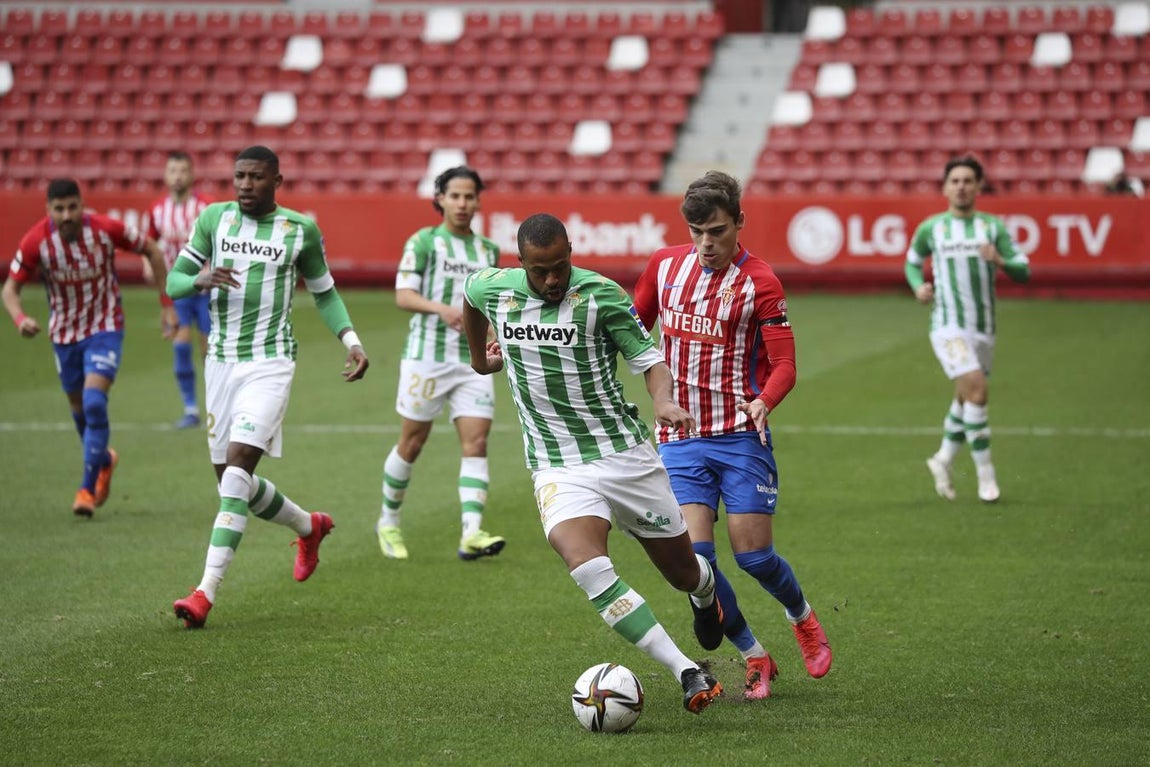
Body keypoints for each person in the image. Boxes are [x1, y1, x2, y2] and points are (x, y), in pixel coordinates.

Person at [462, 213, 724, 714]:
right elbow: (471, 299)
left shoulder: (600, 295)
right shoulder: (494, 287)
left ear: (570, 252)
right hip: (557, 464)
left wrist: (663, 403)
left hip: (624, 456)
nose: (553, 280)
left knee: (683, 574)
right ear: (522, 264)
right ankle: (686, 670)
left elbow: (650, 361)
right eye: (541, 272)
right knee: (585, 564)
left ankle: (705, 593)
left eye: (560, 266)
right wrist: (479, 358)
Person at [633, 170, 832, 701]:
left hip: (741, 434)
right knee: (698, 564)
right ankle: (754, 655)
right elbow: (631, 329)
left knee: (754, 558)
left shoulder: (760, 282)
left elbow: (785, 364)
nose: (705, 244)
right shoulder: (664, 266)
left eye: (717, 231)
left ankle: (802, 616)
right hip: (680, 439)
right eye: (697, 231)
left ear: (739, 223)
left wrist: (765, 401)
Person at [166, 146, 369, 629]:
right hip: (219, 364)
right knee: (232, 484)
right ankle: (308, 525)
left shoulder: (299, 230)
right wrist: (198, 278)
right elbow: (173, 280)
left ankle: (204, 593)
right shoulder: (214, 220)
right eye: (239, 176)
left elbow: (324, 293)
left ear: (276, 180)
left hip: (270, 364)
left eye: (256, 177)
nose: (245, 185)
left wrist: (352, 340)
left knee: (236, 476)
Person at [2, 178, 173, 517]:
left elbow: (152, 250)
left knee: (94, 403)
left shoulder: (106, 229)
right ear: (49, 210)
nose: (67, 215)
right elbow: (10, 290)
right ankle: (104, 459)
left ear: (82, 205)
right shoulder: (37, 240)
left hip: (105, 326)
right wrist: (20, 319)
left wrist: (166, 303)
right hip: (64, 335)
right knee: (80, 412)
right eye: (59, 209)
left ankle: (86, 488)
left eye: (72, 207)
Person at [376, 166, 505, 562]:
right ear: (440, 199)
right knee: (412, 442)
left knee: (477, 441)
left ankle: (471, 532)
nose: (463, 204)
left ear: (478, 201)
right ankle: (389, 521)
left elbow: (492, 304)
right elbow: (403, 295)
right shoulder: (425, 242)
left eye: (469, 197)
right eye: (455, 196)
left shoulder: (487, 250)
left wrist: (495, 332)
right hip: (427, 357)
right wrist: (442, 309)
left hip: (472, 360)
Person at [906, 155, 1030, 503]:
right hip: (947, 325)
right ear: (946, 187)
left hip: (984, 326)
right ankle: (986, 476)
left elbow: (1024, 271)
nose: (961, 186)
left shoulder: (992, 228)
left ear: (978, 186)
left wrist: (1000, 260)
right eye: (955, 181)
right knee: (977, 391)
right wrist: (918, 287)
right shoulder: (933, 228)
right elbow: (912, 262)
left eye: (967, 181)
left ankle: (943, 459)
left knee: (966, 396)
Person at [147, 151, 213, 429]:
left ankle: (216, 406)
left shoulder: (205, 209)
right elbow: (149, 242)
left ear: (192, 175)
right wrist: (147, 264)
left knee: (209, 349)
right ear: (165, 175)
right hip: (180, 290)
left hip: (209, 289)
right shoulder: (157, 211)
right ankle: (190, 409)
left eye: (183, 171)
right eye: (172, 171)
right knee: (181, 343)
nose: (177, 176)